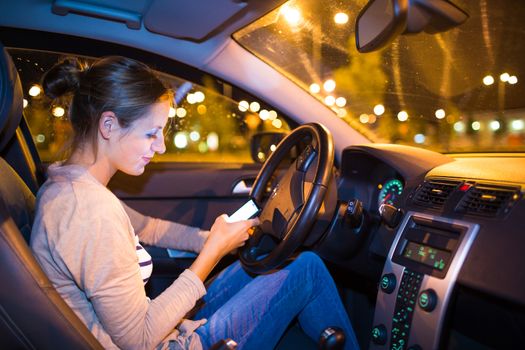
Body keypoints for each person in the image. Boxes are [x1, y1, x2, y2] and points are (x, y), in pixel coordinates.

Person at [30, 56, 359, 350]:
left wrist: (215, 240)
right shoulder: (89, 211)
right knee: (307, 269)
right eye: (151, 133)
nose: (159, 147)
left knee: (272, 262)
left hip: (164, 331)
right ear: (109, 125)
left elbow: (149, 228)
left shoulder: (70, 185)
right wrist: (212, 252)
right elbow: (138, 339)